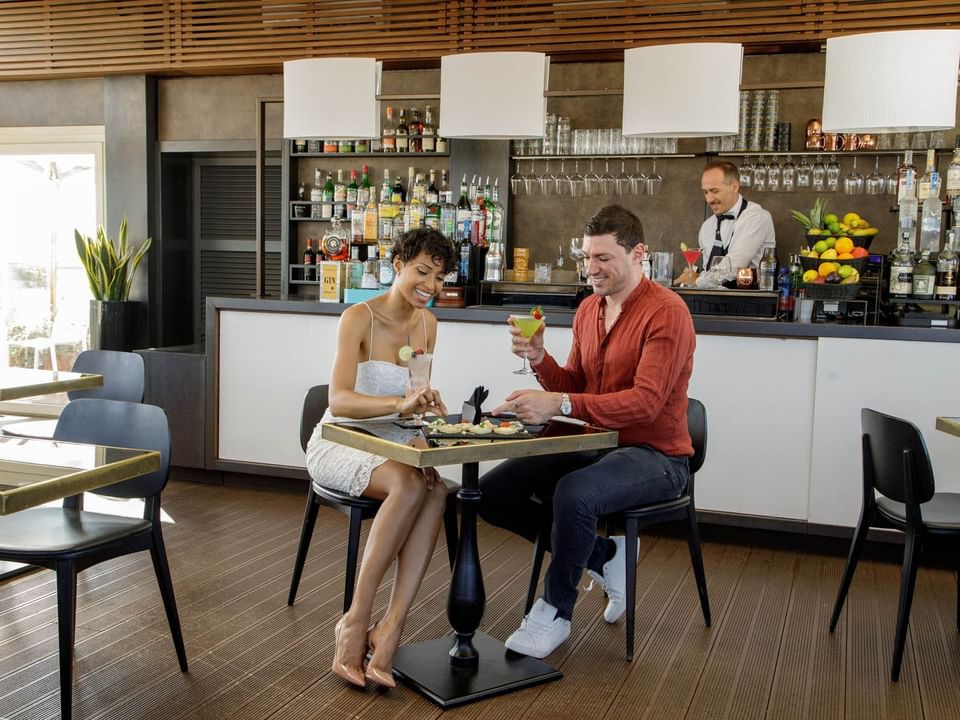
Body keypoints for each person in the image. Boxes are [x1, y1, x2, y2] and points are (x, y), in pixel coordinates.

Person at [477, 205, 696, 659]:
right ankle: (603, 556)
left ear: (638, 254)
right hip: (595, 443)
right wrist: (540, 359)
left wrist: (559, 404)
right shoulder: (589, 309)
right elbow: (577, 384)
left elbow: (645, 403)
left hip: (657, 456)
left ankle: (555, 611)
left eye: (603, 258)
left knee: (574, 493)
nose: (590, 268)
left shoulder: (667, 312)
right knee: (491, 493)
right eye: (586, 257)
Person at [305, 226, 457, 688]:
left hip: (393, 442)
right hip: (340, 439)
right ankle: (354, 621)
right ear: (398, 265)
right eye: (422, 272)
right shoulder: (358, 318)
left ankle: (391, 628)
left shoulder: (429, 325)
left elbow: (413, 398)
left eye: (439, 277)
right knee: (410, 484)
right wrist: (400, 405)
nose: (430, 285)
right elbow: (339, 400)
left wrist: (424, 409)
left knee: (436, 489)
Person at [695, 160, 775, 285]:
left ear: (734, 187)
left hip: (749, 295)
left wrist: (696, 280)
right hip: (712, 296)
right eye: (705, 192)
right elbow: (708, 272)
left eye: (715, 191)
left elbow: (734, 265)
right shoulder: (707, 226)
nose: (709, 199)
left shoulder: (757, 218)